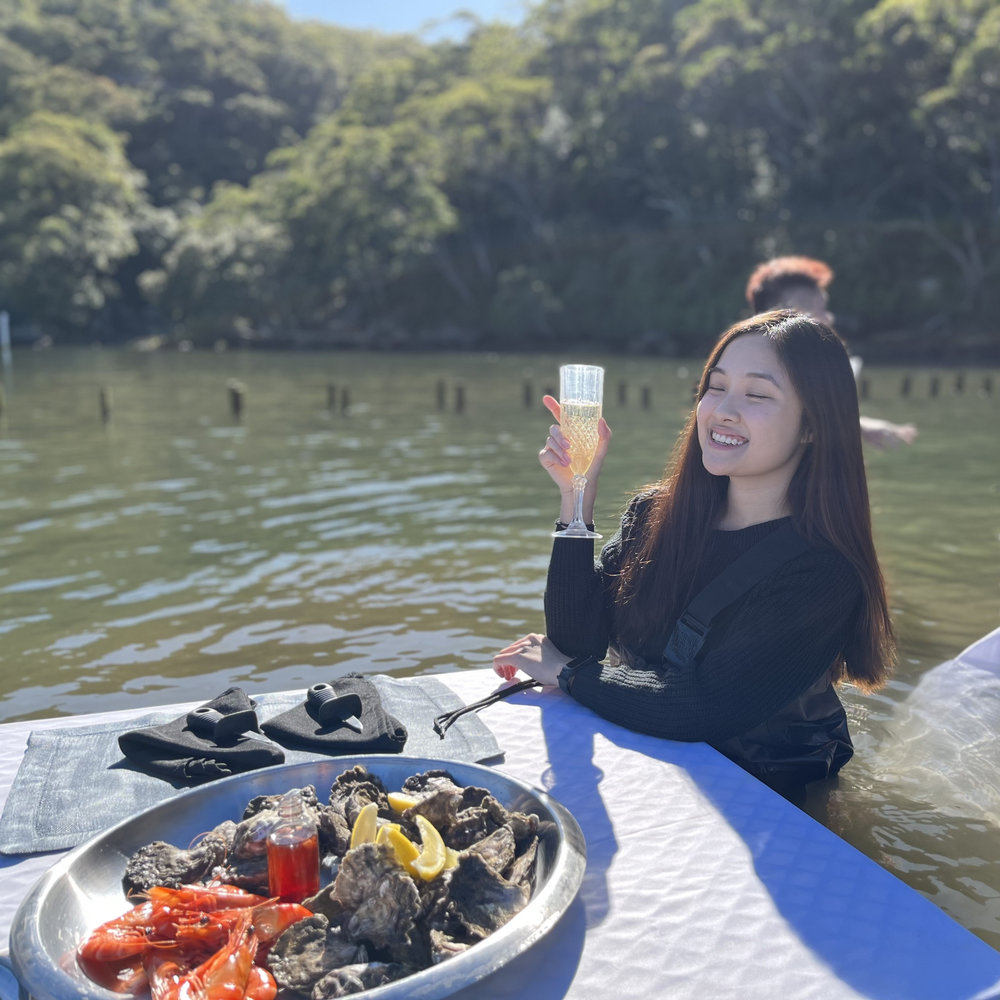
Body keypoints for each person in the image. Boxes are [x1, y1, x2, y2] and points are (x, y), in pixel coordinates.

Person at [493, 310, 897, 801]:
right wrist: (578, 493)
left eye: (757, 394)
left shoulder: (822, 570)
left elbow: (708, 705)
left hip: (766, 800)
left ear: (813, 426)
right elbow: (577, 640)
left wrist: (568, 674)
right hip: (653, 762)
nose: (723, 410)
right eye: (716, 387)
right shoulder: (655, 515)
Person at [744, 256, 918, 450]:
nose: (829, 318)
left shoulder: (777, 365)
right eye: (820, 309)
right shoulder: (766, 374)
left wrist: (858, 426)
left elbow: (808, 418)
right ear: (789, 318)